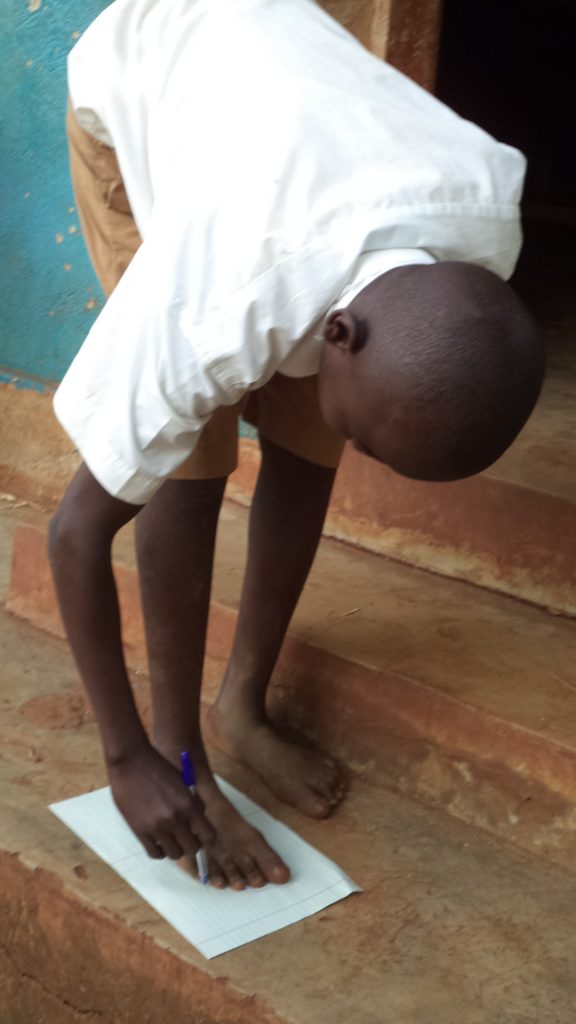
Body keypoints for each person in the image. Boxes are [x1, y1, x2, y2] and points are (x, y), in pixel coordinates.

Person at [49, 0, 544, 890]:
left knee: (314, 432)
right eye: (367, 434)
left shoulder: (483, 213)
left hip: (285, 127)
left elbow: (364, 385)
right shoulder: (213, 287)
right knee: (188, 456)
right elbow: (76, 534)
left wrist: (330, 416)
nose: (355, 449)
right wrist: (127, 759)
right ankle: (184, 751)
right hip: (143, 81)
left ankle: (241, 704)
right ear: (340, 331)